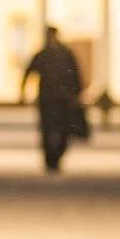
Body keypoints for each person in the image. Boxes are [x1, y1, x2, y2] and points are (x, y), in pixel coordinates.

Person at [19, 26, 84, 173]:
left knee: (64, 130)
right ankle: (49, 160)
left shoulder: (66, 54)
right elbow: (28, 72)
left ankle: (57, 156)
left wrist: (77, 94)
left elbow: (76, 75)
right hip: (47, 99)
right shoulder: (42, 54)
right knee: (46, 129)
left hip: (63, 99)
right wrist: (22, 92)